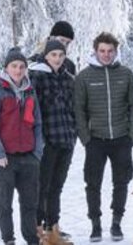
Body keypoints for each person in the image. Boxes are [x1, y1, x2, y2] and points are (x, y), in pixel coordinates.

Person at [74, 32, 133, 242]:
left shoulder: (126, 74)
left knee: (121, 182)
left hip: (121, 138)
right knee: (92, 183)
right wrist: (85, 138)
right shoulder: (84, 77)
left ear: (115, 51)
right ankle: (95, 224)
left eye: (110, 51)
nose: (106, 55)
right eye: (102, 51)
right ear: (95, 51)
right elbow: (79, 110)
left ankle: (116, 222)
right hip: (96, 140)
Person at [0, 47, 45, 245]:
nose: (18, 70)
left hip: (28, 158)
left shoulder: (29, 92)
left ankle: (31, 239)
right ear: (6, 68)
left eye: (22, 67)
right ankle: (9, 239)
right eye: (14, 66)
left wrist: (37, 152)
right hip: (4, 159)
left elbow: (37, 123)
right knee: (4, 203)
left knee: (29, 204)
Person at [29, 38, 77, 238]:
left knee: (57, 185)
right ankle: (37, 227)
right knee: (43, 185)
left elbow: (73, 107)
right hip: (48, 141)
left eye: (61, 55)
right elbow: (33, 110)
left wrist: (74, 132)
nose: (57, 59)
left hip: (66, 140)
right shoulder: (37, 76)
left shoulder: (67, 78)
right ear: (46, 55)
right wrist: (40, 138)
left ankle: (53, 226)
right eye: (53, 55)